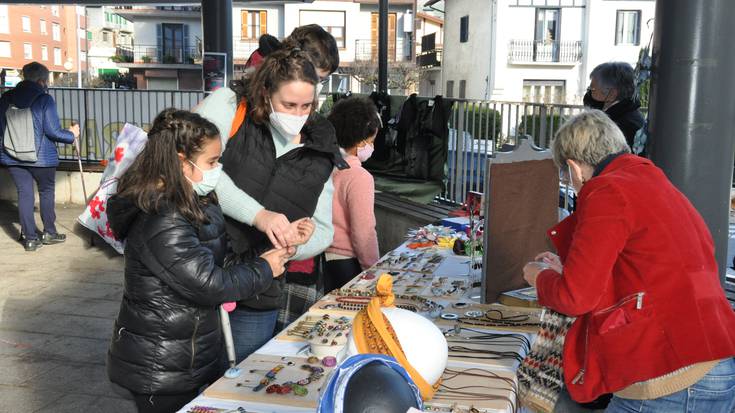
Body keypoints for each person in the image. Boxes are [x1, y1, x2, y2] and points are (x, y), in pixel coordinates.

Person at [522, 110, 735, 413]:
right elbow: (646, 266)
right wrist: (568, 269)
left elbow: (576, 298)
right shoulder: (647, 177)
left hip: (669, 377)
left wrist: (539, 277)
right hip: (713, 361)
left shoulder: (606, 190)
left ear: (574, 168)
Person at [105, 108, 293, 413]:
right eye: (212, 162)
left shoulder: (192, 201)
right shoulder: (161, 216)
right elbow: (208, 284)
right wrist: (263, 269)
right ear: (181, 162)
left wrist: (267, 256)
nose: (217, 170)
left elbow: (216, 264)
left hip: (183, 355)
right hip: (160, 365)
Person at [218, 48, 347, 362]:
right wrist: (260, 216)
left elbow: (323, 230)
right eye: (288, 104)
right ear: (265, 93)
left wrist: (290, 245)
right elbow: (197, 173)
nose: (297, 114)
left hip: (259, 290)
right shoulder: (229, 107)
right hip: (200, 274)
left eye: (306, 106)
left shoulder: (320, 149)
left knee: (242, 383)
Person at [0, 62, 80, 251]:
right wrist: (72, 134)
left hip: (12, 156)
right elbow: (53, 132)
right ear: (42, 80)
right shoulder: (45, 99)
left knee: (24, 194)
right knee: (46, 192)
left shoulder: (6, 98)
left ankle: (29, 238)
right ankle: (49, 233)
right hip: (41, 158)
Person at [324, 96, 381, 292]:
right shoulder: (359, 176)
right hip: (346, 263)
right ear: (361, 141)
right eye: (371, 141)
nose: (372, 147)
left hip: (320, 259)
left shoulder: (323, 165)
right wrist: (372, 270)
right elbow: (364, 232)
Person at [583, 62, 644, 149]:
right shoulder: (621, 114)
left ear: (611, 93)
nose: (589, 93)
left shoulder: (622, 125)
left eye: (592, 89)